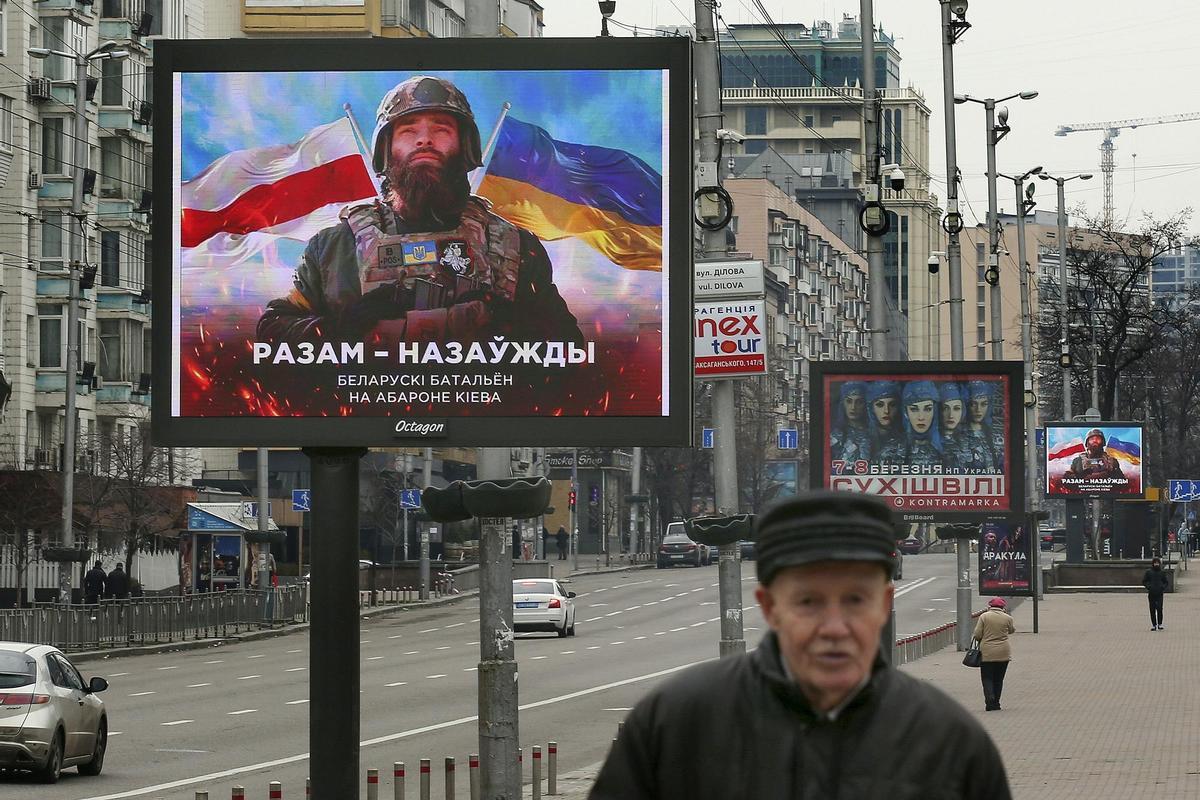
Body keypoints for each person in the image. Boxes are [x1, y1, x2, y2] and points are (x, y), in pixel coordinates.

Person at [590, 490, 1012, 800]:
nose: (834, 627)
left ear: (885, 604)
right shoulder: (677, 724)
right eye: (808, 602)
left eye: (855, 600)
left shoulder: (947, 742)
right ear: (770, 606)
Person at [257, 75, 582, 346]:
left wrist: (513, 329)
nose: (424, 140)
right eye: (408, 130)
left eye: (442, 129)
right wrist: (341, 331)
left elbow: (569, 350)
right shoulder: (331, 248)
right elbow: (272, 332)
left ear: (464, 147)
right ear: (386, 149)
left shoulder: (515, 246)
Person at [973, 597, 1015, 712]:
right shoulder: (1008, 618)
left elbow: (977, 634)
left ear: (990, 606)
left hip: (987, 652)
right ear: (1003, 607)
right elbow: (1011, 630)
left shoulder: (984, 617)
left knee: (987, 678)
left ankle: (989, 701)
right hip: (1003, 652)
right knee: (999, 679)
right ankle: (996, 702)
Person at [829, 381, 870, 470]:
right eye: (849, 401)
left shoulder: (873, 435)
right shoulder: (836, 435)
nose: (853, 407)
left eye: (859, 402)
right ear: (843, 403)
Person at [900, 380, 943, 467]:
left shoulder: (948, 451)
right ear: (906, 412)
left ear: (934, 412)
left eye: (927, 409)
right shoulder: (893, 452)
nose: (921, 417)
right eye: (914, 409)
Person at [866, 380, 905, 466]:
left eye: (892, 405)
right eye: (880, 405)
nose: (886, 411)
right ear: (871, 408)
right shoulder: (861, 441)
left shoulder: (906, 443)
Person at [963, 381, 999, 472]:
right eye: (973, 404)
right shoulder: (960, 436)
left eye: (983, 404)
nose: (978, 409)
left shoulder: (995, 435)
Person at [939, 381, 968, 471]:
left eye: (956, 408)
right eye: (945, 408)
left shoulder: (968, 442)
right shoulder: (931, 442)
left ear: (962, 411)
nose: (951, 415)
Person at [1143, 556, 1169, 630]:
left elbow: (1166, 582)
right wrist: (1149, 587)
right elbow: (1144, 581)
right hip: (1151, 593)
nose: (1156, 564)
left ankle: (1160, 623)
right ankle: (1154, 624)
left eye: (1157, 563)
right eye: (1155, 563)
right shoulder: (1149, 572)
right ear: (1153, 564)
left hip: (1159, 593)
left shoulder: (1162, 572)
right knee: (1152, 609)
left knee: (1159, 608)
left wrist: (1163, 587)